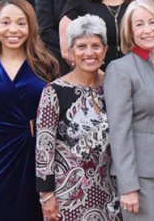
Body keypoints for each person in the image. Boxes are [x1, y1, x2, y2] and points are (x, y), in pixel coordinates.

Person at [0, 0, 60, 221]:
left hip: (38, 165)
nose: (13, 29)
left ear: (30, 27)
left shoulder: (47, 66)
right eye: (6, 22)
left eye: (21, 23)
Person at [104, 0, 154, 221]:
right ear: (129, 32)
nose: (147, 30)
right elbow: (119, 132)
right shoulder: (120, 69)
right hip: (140, 175)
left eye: (152, 22)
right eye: (139, 24)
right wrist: (128, 186)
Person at [35, 15, 120, 221]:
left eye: (96, 46)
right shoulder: (54, 91)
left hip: (110, 195)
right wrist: (47, 197)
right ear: (71, 51)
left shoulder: (114, 85)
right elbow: (44, 149)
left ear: (105, 50)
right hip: (68, 198)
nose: (89, 53)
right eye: (81, 46)